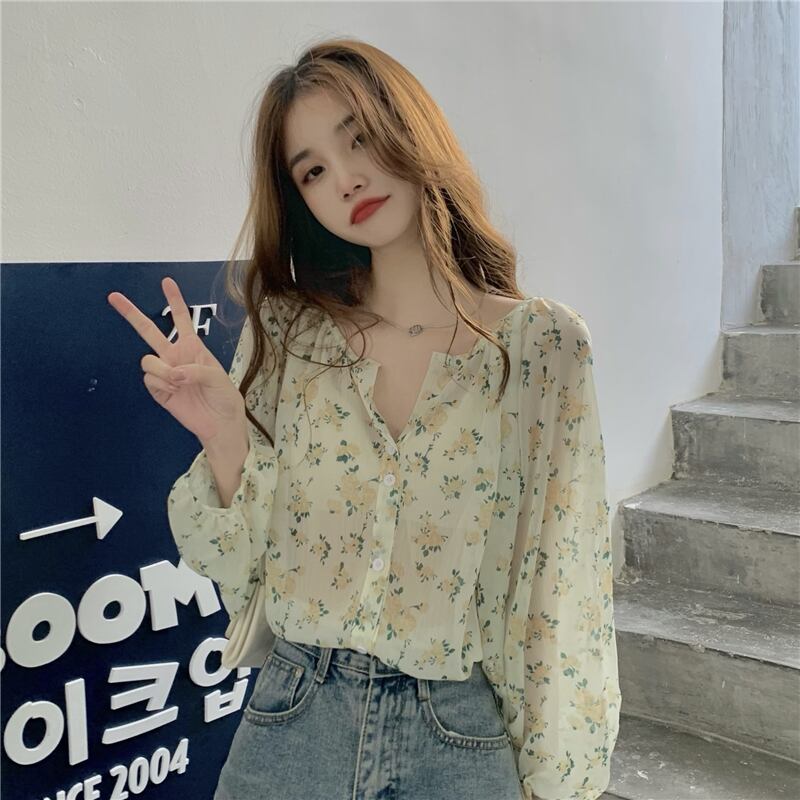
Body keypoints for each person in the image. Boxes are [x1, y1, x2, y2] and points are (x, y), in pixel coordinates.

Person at [108, 37, 621, 800]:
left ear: (410, 128)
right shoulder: (291, 336)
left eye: (358, 138)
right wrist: (224, 436)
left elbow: (559, 587)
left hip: (460, 731)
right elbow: (241, 569)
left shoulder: (541, 345)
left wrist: (556, 780)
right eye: (312, 170)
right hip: (294, 719)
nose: (346, 178)